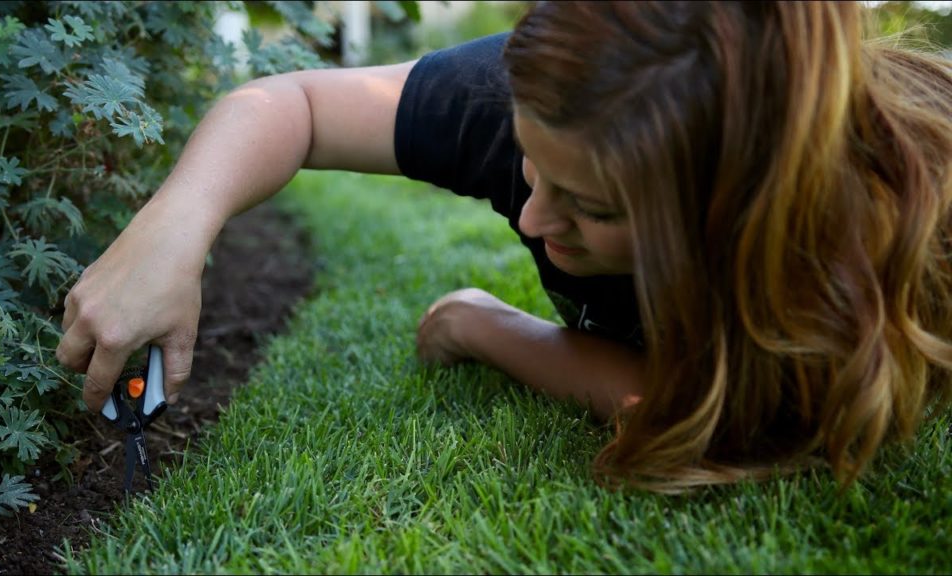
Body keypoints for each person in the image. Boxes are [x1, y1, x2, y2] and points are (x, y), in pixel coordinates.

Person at [56, 1, 952, 492]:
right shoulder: (547, 101)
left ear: (727, 213)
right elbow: (289, 104)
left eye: (589, 207)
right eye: (531, 163)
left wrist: (483, 325)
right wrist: (173, 228)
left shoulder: (843, 263)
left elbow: (696, 411)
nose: (531, 216)